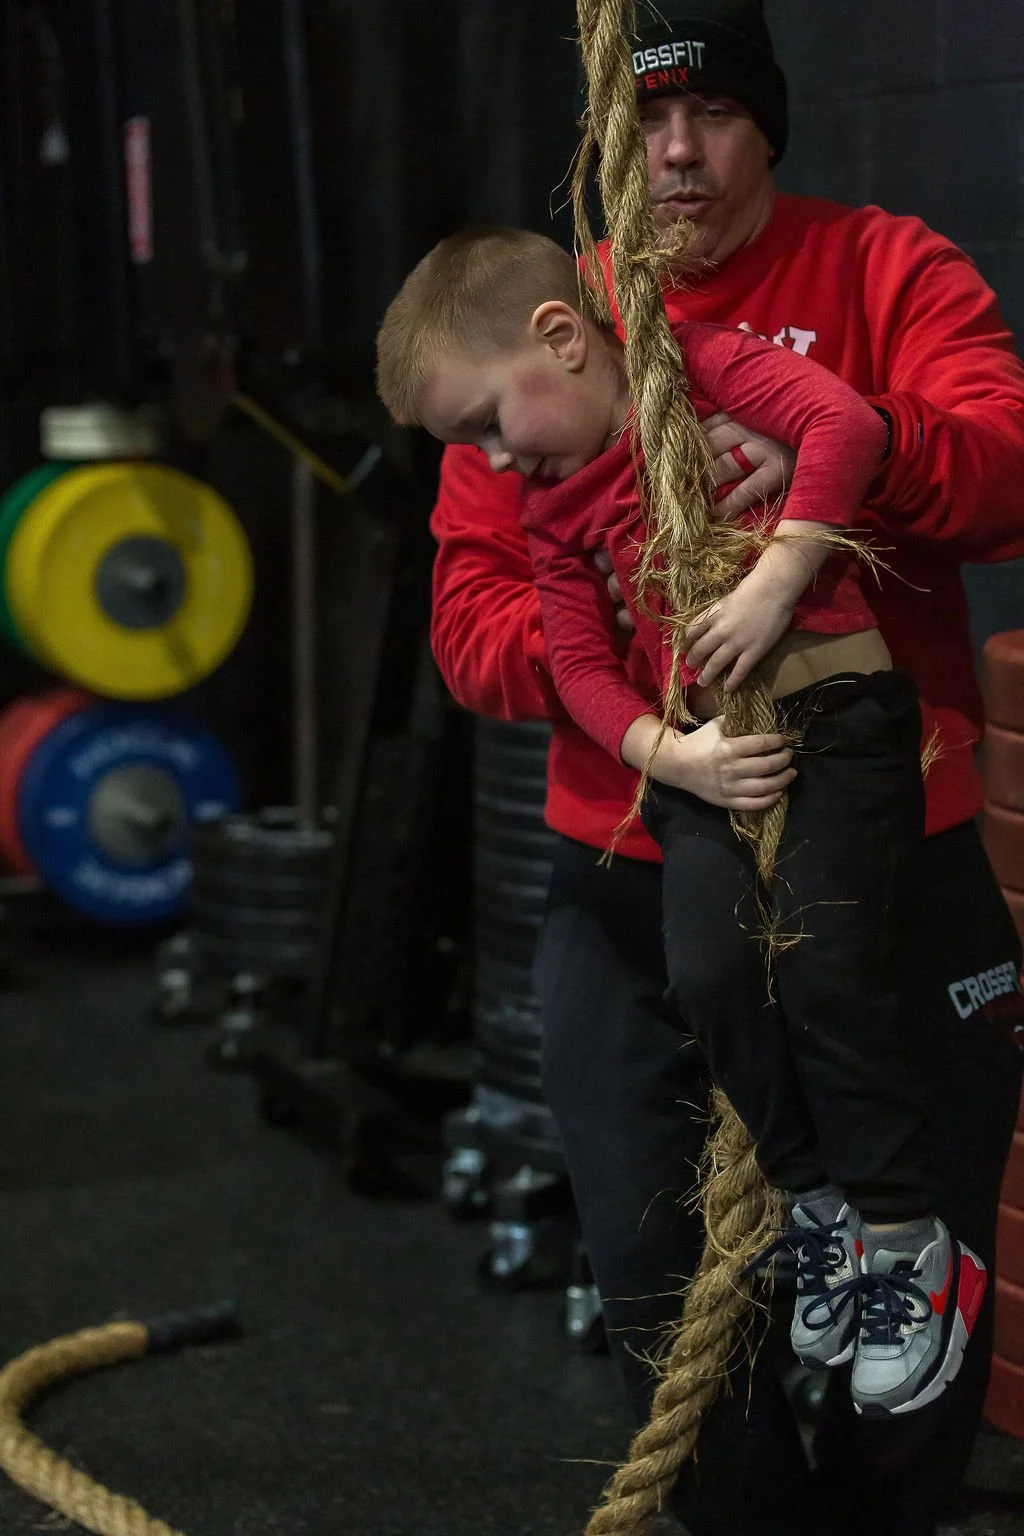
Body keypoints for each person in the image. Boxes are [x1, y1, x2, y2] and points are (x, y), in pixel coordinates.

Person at [424, 4, 1024, 1533]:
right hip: (636, 879)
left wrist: (847, 458)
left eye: (710, 119)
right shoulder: (550, 326)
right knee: (662, 1291)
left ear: (766, 126)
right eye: (646, 127)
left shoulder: (888, 267)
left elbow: (1006, 473)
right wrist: (639, 689)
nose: (676, 154)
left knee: (913, 1288)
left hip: (886, 867)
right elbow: (476, 621)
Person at [377, 221, 989, 1420]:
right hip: (712, 770)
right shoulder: (550, 503)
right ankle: (819, 1209)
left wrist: (775, 573)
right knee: (712, 976)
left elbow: (853, 426)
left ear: (562, 336)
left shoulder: (712, 358)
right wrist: (674, 756)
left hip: (843, 727)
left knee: (819, 967)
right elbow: (556, 651)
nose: (496, 461)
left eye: (496, 426)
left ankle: (906, 1240)